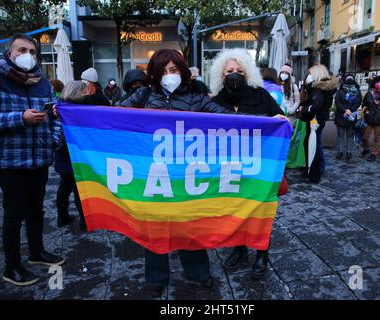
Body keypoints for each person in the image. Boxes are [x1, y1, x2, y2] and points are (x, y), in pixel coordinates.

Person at [121, 49, 240, 296]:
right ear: (154, 75)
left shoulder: (197, 99)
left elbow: (232, 120)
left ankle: (198, 272)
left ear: (182, 71)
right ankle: (156, 277)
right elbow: (110, 116)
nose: (169, 76)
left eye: (173, 70)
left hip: (187, 176)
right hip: (154, 175)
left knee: (189, 226)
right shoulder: (142, 96)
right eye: (163, 71)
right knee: (155, 227)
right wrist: (72, 111)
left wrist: (272, 120)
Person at [0, 33, 65, 286]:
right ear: (10, 53)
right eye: (21, 50)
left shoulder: (43, 82)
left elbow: (55, 115)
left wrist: (53, 140)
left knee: (36, 210)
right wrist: (21, 117)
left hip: (39, 159)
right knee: (14, 213)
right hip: (10, 160)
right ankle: (12, 265)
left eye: (32, 51)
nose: (27, 55)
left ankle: (37, 252)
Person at [209, 48, 285, 280]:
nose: (234, 74)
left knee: (261, 210)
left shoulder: (260, 94)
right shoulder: (214, 100)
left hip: (258, 167)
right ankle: (240, 248)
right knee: (235, 211)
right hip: (228, 168)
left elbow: (279, 120)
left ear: (248, 73)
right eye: (230, 70)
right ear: (220, 74)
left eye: (239, 70)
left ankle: (262, 252)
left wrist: (278, 121)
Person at [54, 81, 89, 231]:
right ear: (77, 93)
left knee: (65, 186)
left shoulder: (58, 107)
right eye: (84, 91)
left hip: (62, 155)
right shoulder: (74, 110)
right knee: (78, 189)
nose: (87, 94)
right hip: (72, 155)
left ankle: (62, 216)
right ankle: (84, 222)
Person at [298, 64, 339, 182]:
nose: (308, 76)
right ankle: (315, 169)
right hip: (317, 120)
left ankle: (315, 172)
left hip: (315, 121)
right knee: (314, 144)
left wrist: (304, 109)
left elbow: (316, 106)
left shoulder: (318, 90)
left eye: (310, 74)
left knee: (313, 145)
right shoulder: (322, 89)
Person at [334, 73, 362, 160]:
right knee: (340, 134)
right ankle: (340, 152)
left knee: (350, 134)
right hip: (341, 115)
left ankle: (349, 152)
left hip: (351, 115)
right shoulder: (341, 90)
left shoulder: (357, 90)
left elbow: (358, 101)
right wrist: (345, 109)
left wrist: (351, 110)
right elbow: (337, 101)